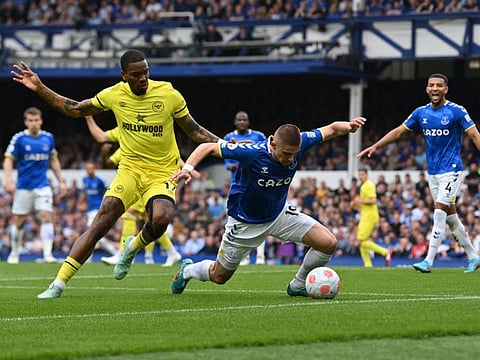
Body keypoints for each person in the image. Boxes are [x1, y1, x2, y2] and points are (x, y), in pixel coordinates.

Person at [11, 49, 220, 298]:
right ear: (124, 76)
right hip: (130, 169)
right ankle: (58, 283)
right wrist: (40, 87)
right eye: (136, 74)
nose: (143, 78)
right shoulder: (113, 95)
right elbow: (75, 109)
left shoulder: (168, 94)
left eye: (146, 72)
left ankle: (131, 247)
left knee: (161, 220)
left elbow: (195, 132)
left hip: (163, 171)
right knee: (102, 220)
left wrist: (230, 148)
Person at [169, 117, 365, 297]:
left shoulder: (300, 142)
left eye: (294, 154)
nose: (290, 159)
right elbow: (208, 147)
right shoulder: (252, 153)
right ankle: (188, 270)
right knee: (219, 276)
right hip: (245, 222)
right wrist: (187, 168)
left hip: (279, 214)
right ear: (273, 144)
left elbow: (331, 129)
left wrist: (348, 127)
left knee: (328, 243)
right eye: (286, 153)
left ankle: (297, 285)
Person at [358, 73, 480, 274]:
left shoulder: (457, 111)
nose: (435, 88)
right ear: (427, 89)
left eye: (439, 86)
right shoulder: (420, 114)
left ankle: (428, 260)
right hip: (432, 173)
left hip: (452, 170)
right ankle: (473, 256)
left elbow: (474, 135)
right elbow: (398, 132)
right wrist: (376, 146)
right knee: (451, 218)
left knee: (439, 211)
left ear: (445, 89)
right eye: (431, 85)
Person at [83, 115, 182, 267]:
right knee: (149, 220)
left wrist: (186, 165)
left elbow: (170, 149)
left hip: (150, 182)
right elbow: (104, 149)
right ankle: (170, 252)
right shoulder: (125, 138)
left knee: (133, 216)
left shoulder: (151, 131)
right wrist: (89, 118)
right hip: (136, 184)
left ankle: (124, 252)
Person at [3, 106, 66, 264]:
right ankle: (15, 252)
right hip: (23, 186)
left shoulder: (48, 138)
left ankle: (47, 255)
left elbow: (54, 159)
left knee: (46, 215)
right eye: (30, 120)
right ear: (26, 122)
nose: (34, 123)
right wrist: (9, 181)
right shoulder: (19, 139)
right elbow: (9, 160)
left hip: (42, 185)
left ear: (41, 121)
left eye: (36, 120)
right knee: (19, 221)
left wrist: (61, 181)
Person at [223, 110, 267, 265]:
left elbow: (266, 153)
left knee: (261, 219)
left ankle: (261, 256)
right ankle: (245, 256)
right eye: (239, 120)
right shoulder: (229, 137)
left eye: (244, 120)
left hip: (257, 183)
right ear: (235, 122)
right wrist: (234, 165)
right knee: (240, 220)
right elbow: (227, 162)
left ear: (248, 121)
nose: (242, 122)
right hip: (239, 184)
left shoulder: (259, 136)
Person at [351, 168, 392, 267]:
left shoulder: (369, 185)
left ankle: (385, 252)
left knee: (361, 241)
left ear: (366, 175)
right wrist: (355, 205)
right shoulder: (363, 186)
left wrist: (359, 201)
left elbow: (373, 200)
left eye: (362, 174)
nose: (361, 177)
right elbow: (365, 204)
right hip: (365, 215)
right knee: (363, 241)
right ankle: (368, 265)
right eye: (359, 174)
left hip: (369, 216)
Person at [82, 161, 118, 259]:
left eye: (90, 169)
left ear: (94, 169)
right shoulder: (85, 180)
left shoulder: (100, 180)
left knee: (90, 232)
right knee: (95, 236)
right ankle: (114, 251)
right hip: (90, 210)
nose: (89, 171)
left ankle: (87, 257)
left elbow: (107, 191)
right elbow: (85, 193)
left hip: (98, 209)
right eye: (87, 169)